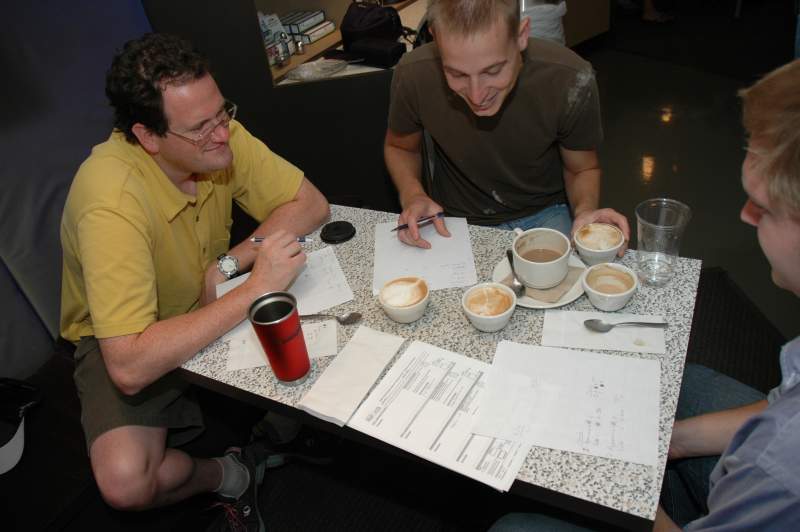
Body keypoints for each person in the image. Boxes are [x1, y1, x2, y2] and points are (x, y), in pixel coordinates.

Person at [489, 59, 800, 531]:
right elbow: (786, 402)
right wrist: (672, 441)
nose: (744, 216)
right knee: (676, 380)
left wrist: (615, 482)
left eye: (766, 208)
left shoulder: (777, 465)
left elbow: (779, 437)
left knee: (512, 528)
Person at [59, 33, 329, 530]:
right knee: (125, 481)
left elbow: (311, 205)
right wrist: (251, 288)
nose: (222, 135)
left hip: (208, 296)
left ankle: (280, 425)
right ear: (147, 136)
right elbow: (130, 363)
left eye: (221, 113)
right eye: (200, 128)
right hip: (133, 335)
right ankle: (230, 474)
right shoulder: (109, 202)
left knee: (329, 323)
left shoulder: (215, 133)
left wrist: (231, 264)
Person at [384, 0, 628, 249]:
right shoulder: (413, 74)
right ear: (436, 38)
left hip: (545, 211)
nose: (477, 96)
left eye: (493, 70)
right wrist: (413, 195)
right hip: (456, 217)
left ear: (521, 35)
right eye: (457, 74)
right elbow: (401, 147)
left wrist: (585, 211)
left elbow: (582, 169)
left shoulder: (569, 79)